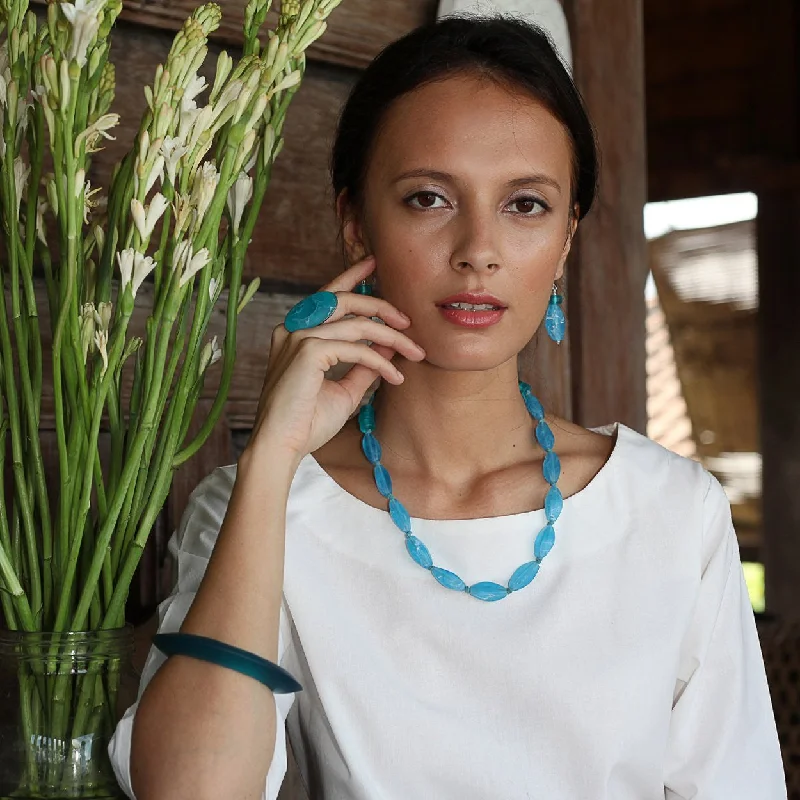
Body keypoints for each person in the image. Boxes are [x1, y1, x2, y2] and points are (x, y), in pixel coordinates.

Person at [108, 14, 786, 800]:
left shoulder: (672, 514)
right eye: (429, 197)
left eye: (525, 205)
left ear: (568, 238)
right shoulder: (257, 507)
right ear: (355, 218)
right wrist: (271, 459)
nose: (478, 249)